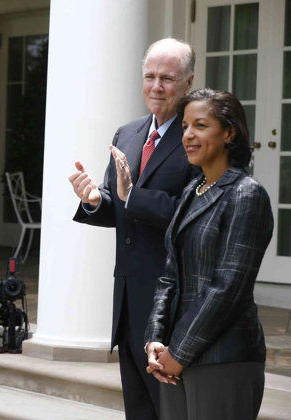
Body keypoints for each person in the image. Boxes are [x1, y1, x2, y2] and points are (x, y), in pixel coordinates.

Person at [68, 38, 199, 419]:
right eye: (150, 76)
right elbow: (120, 207)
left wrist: (133, 195)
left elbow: (194, 214)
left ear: (189, 82)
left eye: (167, 78)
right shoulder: (126, 133)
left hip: (170, 305)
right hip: (126, 299)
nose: (156, 86)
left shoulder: (195, 137)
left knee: (170, 410)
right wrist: (95, 200)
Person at [144, 89, 272, 419]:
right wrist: (156, 339)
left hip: (224, 356)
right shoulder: (192, 190)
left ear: (229, 133)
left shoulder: (247, 194)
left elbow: (227, 288)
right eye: (185, 126)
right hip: (174, 355)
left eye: (200, 125)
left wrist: (180, 353)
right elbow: (168, 275)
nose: (188, 135)